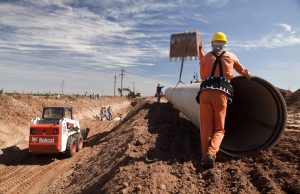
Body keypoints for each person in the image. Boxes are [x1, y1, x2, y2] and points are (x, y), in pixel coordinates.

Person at [197, 32, 252, 168]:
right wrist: (249, 75)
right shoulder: (231, 56)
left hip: (204, 93)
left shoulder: (206, 58)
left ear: (212, 44)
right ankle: (211, 153)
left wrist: (199, 49)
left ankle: (204, 158)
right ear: (224, 44)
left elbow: (203, 68)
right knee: (219, 129)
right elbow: (243, 72)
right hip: (220, 94)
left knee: (206, 128)